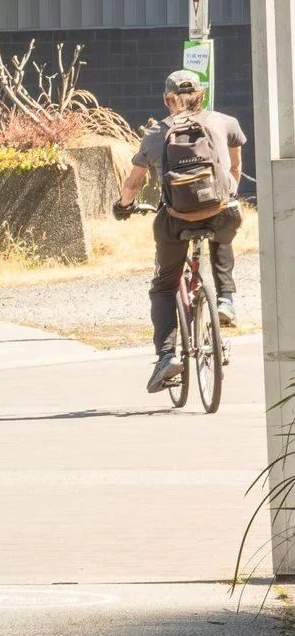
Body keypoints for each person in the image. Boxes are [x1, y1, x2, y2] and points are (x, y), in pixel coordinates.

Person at [118, 67, 248, 392]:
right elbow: (234, 168)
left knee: (162, 286)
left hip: (176, 219)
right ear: (202, 95)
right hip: (222, 212)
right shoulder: (224, 122)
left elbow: (133, 184)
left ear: (167, 100)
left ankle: (166, 357)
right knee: (223, 228)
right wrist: (221, 197)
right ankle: (226, 299)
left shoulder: (155, 133)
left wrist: (122, 206)